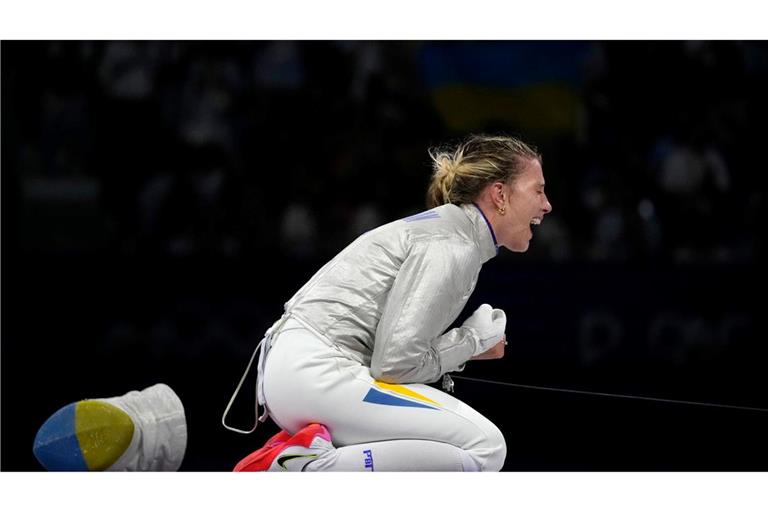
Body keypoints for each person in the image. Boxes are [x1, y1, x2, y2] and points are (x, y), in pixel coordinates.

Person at [226, 133, 553, 471]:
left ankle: (310, 463)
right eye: (538, 190)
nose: (547, 205)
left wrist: (471, 347)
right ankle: (300, 470)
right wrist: (470, 342)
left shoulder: (451, 233)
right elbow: (395, 365)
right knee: (484, 446)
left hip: (299, 374)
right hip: (318, 373)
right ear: (499, 194)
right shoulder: (453, 244)